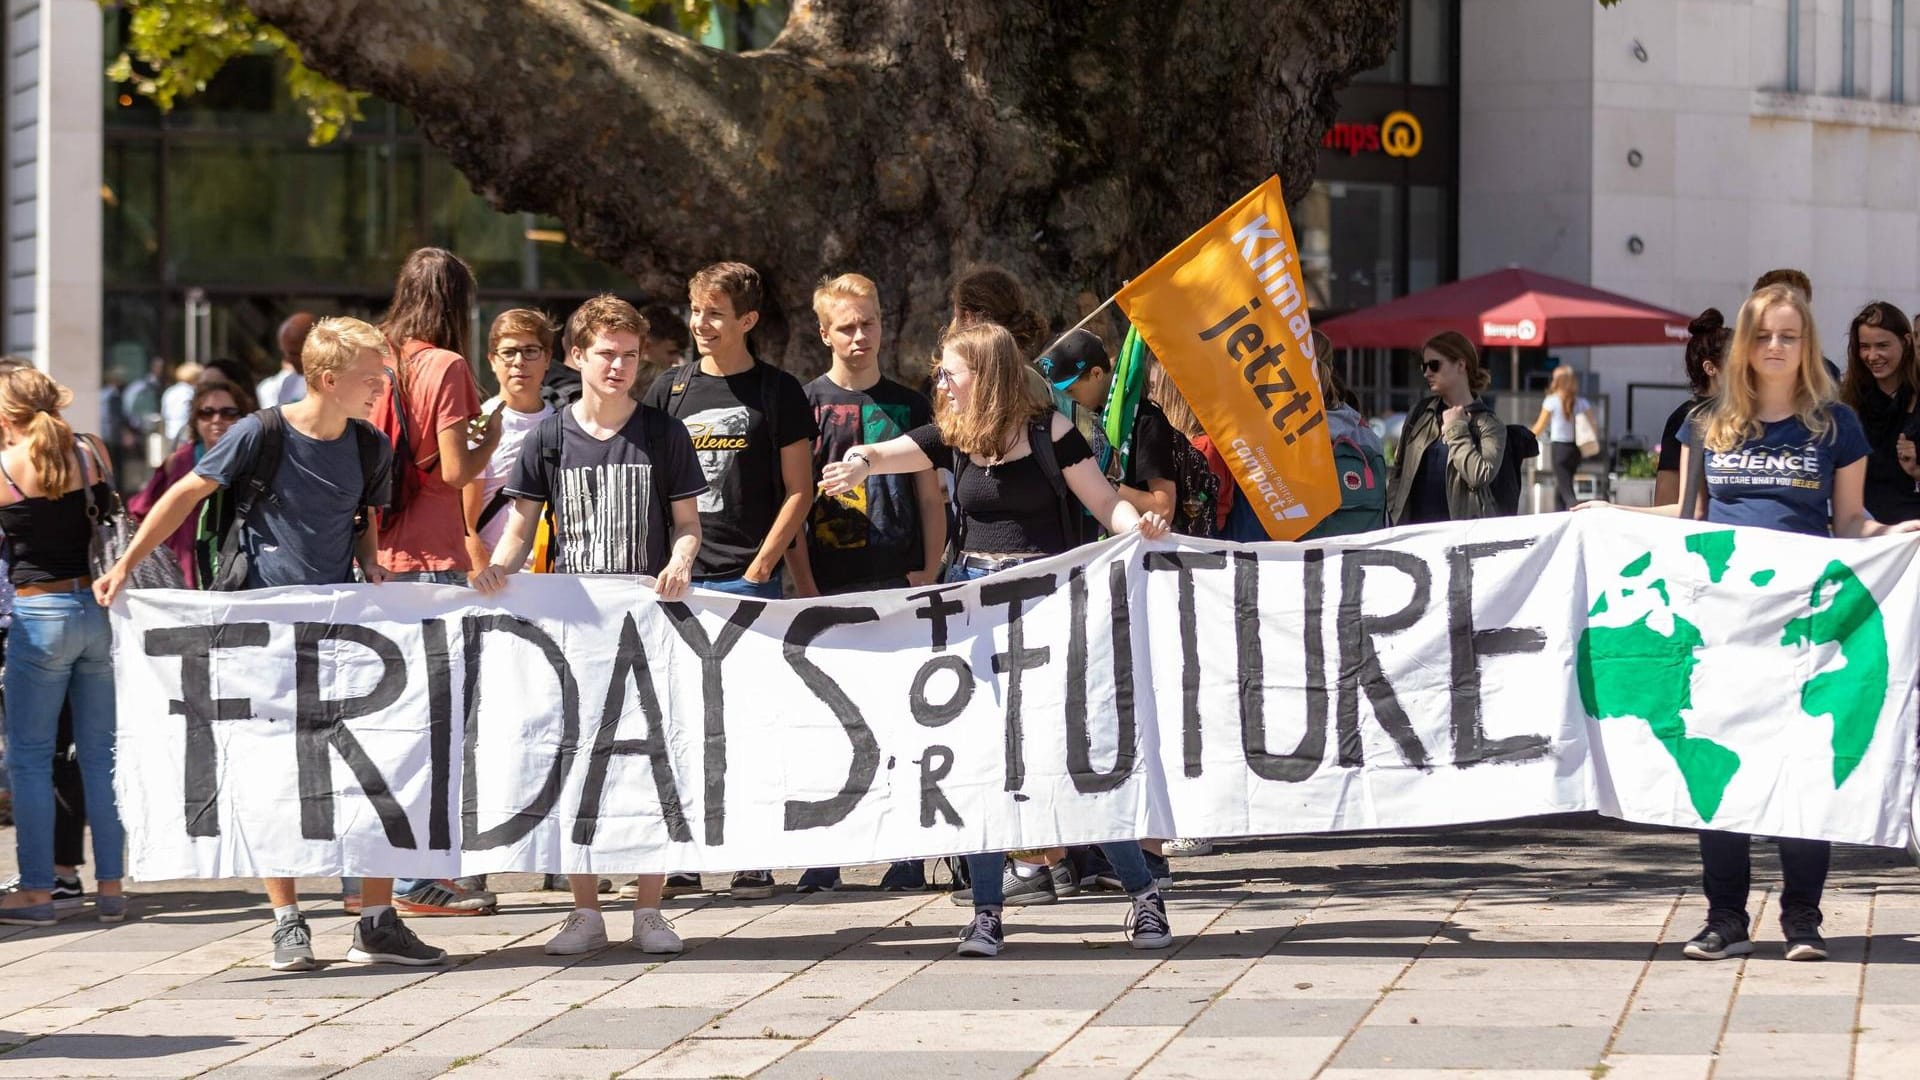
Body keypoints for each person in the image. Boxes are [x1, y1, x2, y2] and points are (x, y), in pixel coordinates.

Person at [94, 317, 447, 971]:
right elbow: (184, 493)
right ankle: (287, 920)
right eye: (372, 378)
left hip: (343, 632)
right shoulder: (262, 432)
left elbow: (362, 516)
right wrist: (123, 567)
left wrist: (370, 564)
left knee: (377, 767)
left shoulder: (369, 443)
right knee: (272, 775)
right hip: (262, 633)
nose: (382, 388)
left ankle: (376, 919)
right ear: (329, 379)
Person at [1585, 284, 1920, 963]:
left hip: (1805, 627)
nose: (1775, 347)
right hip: (1720, 629)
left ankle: (1803, 918)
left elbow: (1850, 522)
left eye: (1789, 336)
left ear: (1807, 346)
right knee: (1721, 765)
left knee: (1803, 765)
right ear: (1745, 343)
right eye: (1764, 335)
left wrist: (1896, 535)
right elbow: (1687, 519)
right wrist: (1601, 519)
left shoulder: (1835, 427)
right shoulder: (1707, 423)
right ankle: (1725, 917)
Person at [819, 322, 1174, 958]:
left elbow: (1102, 503)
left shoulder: (1050, 433)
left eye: (951, 371)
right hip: (975, 608)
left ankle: (1144, 896)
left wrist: (1138, 524)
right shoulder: (956, 435)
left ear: (986, 374)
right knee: (981, 763)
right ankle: (987, 913)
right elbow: (892, 451)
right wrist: (858, 463)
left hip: (1047, 606)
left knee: (1073, 760)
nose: (941, 382)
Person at [471, 295, 705, 956]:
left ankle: (650, 908)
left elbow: (688, 526)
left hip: (647, 622)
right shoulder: (550, 435)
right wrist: (495, 571)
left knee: (654, 759)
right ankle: (584, 908)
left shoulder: (664, 433)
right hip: (573, 622)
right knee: (577, 759)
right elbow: (521, 527)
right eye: (606, 354)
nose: (619, 367)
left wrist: (682, 560)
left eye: (630, 355)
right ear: (577, 356)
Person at [641, 262, 815, 901]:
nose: (701, 325)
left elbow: (800, 490)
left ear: (747, 320)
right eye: (695, 311)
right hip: (680, 580)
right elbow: (653, 485)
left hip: (749, 579)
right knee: (681, 718)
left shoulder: (778, 391)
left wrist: (763, 564)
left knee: (749, 720)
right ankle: (681, 851)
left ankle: (754, 852)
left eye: (715, 314)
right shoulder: (670, 390)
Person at [788, 273, 946, 895]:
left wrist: (929, 571)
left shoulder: (910, 405)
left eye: (869, 323)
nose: (860, 336)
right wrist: (803, 582)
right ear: (824, 332)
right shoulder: (804, 404)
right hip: (827, 582)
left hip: (896, 577)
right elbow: (796, 501)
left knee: (901, 716)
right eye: (846, 326)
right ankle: (825, 852)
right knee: (828, 720)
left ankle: (906, 851)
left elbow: (931, 497)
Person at [372, 248, 504, 918]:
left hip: (381, 559)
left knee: (398, 724)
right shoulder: (446, 367)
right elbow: (456, 471)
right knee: (440, 728)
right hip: (435, 560)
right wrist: (493, 433)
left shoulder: (377, 359)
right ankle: (412, 879)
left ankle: (392, 874)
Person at [0, 367, 127, 926]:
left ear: (7, 416)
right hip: (95, 611)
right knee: (101, 758)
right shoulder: (93, 452)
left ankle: (36, 892)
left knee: (28, 759)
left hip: (38, 613)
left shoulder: (6, 468)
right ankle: (112, 890)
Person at [128, 376, 256, 587]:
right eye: (207, 412)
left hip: (240, 572)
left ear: (242, 418)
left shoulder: (254, 461)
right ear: (195, 420)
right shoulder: (177, 461)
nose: (217, 419)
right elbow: (142, 511)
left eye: (228, 412)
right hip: (184, 575)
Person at [464, 309, 556, 574]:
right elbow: (464, 525)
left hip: (553, 578)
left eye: (530, 351)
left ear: (547, 358)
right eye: (508, 352)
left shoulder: (566, 424)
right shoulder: (477, 426)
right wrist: (485, 580)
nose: (519, 362)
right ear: (492, 360)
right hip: (496, 576)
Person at [1385, 331, 1507, 525]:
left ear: (1460, 365)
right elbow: (1399, 470)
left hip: (1460, 537)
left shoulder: (1489, 423)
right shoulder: (1421, 412)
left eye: (1434, 365)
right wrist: (1391, 514)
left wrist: (1457, 429)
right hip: (1412, 534)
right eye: (1423, 366)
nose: (1426, 373)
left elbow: (1479, 476)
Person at [1839, 301, 1920, 524]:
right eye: (1865, 346)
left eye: (1882, 345)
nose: (1872, 356)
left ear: (1906, 342)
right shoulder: (1848, 403)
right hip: (1863, 529)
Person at [1655, 309, 1728, 507]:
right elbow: (1665, 498)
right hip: (1709, 535)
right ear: (1711, 368)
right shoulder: (1685, 419)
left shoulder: (1753, 413)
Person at [1531, 365, 1595, 510]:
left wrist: (1524, 438)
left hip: (1559, 448)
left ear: (1558, 381)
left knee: (1567, 492)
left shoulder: (1552, 401)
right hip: (1576, 449)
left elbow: (1539, 426)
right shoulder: (1582, 402)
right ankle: (1558, 515)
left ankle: (1578, 513)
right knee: (1562, 486)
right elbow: (1593, 424)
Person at [257, 312, 314, 409]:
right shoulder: (287, 384)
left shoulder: (342, 383)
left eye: (295, 354)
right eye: (284, 353)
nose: (288, 360)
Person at [160, 361, 204, 444]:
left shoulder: (170, 391)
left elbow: (163, 413)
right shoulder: (191, 392)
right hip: (185, 435)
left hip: (170, 433)